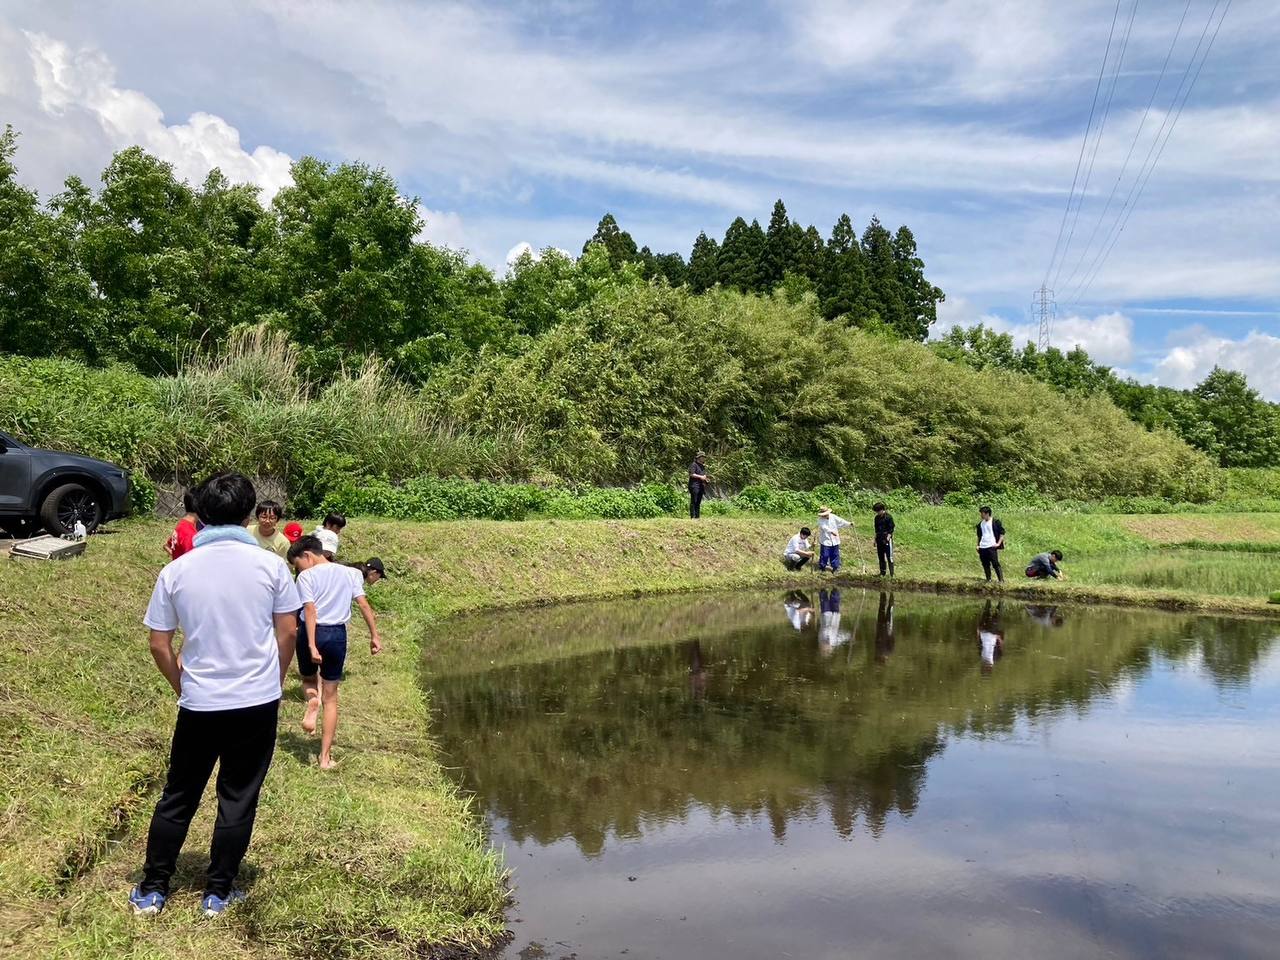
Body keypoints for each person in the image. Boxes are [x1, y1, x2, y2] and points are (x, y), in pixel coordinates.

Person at [130, 473, 300, 918]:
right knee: (238, 796)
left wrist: (182, 685)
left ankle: (152, 888)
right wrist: (274, 683)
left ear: (200, 513)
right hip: (255, 703)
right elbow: (288, 632)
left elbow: (159, 643)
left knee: (179, 794)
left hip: (200, 703)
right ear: (249, 515)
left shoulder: (177, 569)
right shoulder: (271, 567)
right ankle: (217, 892)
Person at [287, 535, 383, 770]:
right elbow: (363, 604)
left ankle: (312, 700)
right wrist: (374, 636)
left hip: (311, 634)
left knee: (309, 680)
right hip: (336, 635)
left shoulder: (306, 577)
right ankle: (325, 758)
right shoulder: (350, 573)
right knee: (331, 698)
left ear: (307, 555)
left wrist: (310, 644)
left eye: (297, 564)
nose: (298, 568)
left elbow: (309, 610)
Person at [163, 490, 199, 561]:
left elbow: (167, 546)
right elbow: (192, 561)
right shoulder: (189, 533)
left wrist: (177, 559)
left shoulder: (182, 525)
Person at [975, 506, 1006, 583]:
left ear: (987, 513)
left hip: (991, 545)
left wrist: (998, 543)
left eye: (982, 514)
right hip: (983, 546)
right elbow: (979, 536)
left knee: (995, 563)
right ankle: (988, 579)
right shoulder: (980, 524)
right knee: (985, 564)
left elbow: (1002, 533)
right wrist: (978, 545)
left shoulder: (995, 522)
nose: (981, 516)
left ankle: (1001, 580)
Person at [816, 506, 851, 573]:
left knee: (835, 554)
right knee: (825, 554)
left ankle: (835, 567)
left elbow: (841, 521)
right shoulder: (820, 520)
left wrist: (849, 523)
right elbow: (824, 528)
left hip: (835, 540)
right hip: (825, 540)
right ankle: (822, 567)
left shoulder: (833, 516)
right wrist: (831, 532)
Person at [977, 599, 1004, 673]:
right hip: (987, 632)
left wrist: (999, 637)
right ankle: (996, 601)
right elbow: (979, 642)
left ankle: (998, 602)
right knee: (991, 615)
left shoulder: (994, 657)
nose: (984, 666)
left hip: (989, 632)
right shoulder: (995, 657)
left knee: (993, 616)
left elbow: (980, 643)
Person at [873, 502, 895, 577]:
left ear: (882, 510)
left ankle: (892, 574)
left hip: (887, 538)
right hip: (879, 538)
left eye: (878, 511)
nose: (877, 513)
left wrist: (887, 539)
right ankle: (882, 573)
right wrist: (875, 540)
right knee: (881, 556)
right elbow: (876, 530)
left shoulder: (888, 517)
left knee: (889, 557)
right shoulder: (876, 518)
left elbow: (891, 529)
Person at [687, 452, 710, 519]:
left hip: (701, 486)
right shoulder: (693, 465)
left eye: (704, 457)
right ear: (699, 458)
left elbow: (703, 476)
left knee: (698, 502)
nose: (704, 458)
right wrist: (701, 477)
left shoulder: (703, 466)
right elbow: (692, 474)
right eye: (702, 457)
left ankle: (697, 517)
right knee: (694, 501)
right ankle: (693, 517)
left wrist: (706, 479)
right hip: (694, 485)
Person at [875, 591, 895, 662]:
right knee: (887, 609)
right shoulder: (886, 651)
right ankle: (888, 593)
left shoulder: (880, 650)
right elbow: (892, 641)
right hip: (885, 628)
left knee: (884, 608)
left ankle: (885, 593)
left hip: (882, 627)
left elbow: (877, 639)